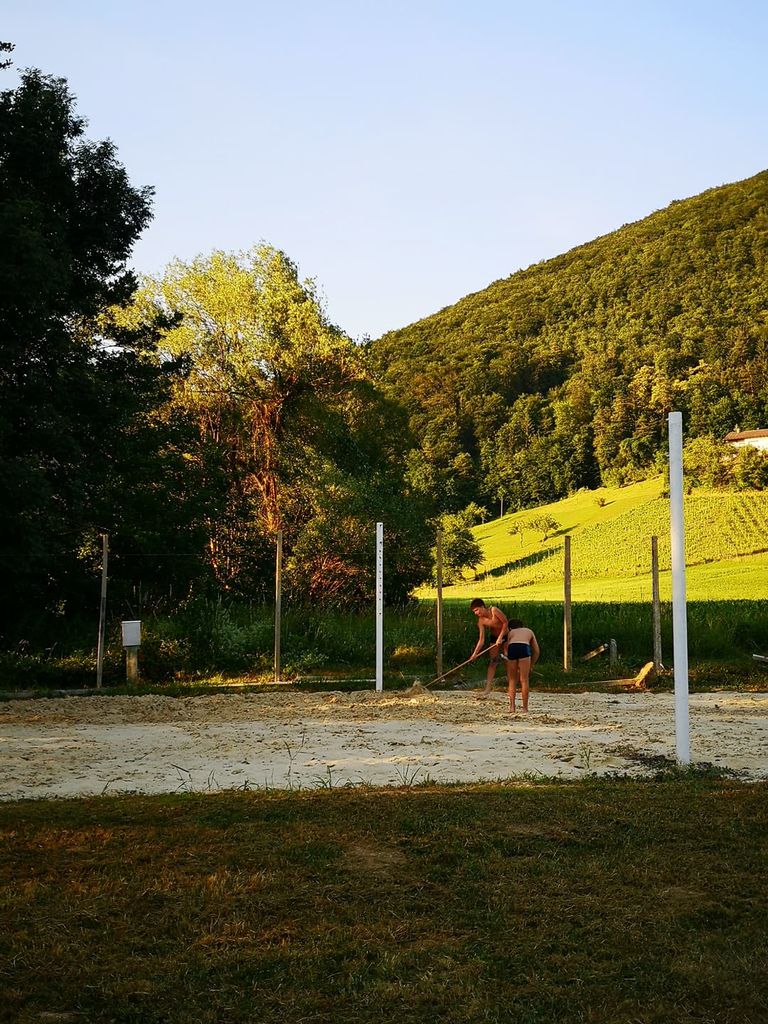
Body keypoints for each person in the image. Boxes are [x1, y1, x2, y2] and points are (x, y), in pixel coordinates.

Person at [469, 598, 509, 698]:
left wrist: (500, 637)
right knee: (493, 662)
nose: (476, 613)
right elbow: (481, 640)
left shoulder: (494, 610)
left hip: (506, 635)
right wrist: (475, 654)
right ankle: (487, 688)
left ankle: (511, 686)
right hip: (494, 638)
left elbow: (505, 622)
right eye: (474, 611)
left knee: (507, 660)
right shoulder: (481, 621)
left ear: (482, 607)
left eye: (476, 610)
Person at [504, 618, 540, 714]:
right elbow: (537, 651)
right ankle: (525, 708)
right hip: (524, 648)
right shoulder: (529, 631)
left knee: (512, 680)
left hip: (513, 648)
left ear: (510, 628)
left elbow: (506, 650)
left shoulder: (510, 633)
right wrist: (531, 665)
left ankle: (512, 707)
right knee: (524, 680)